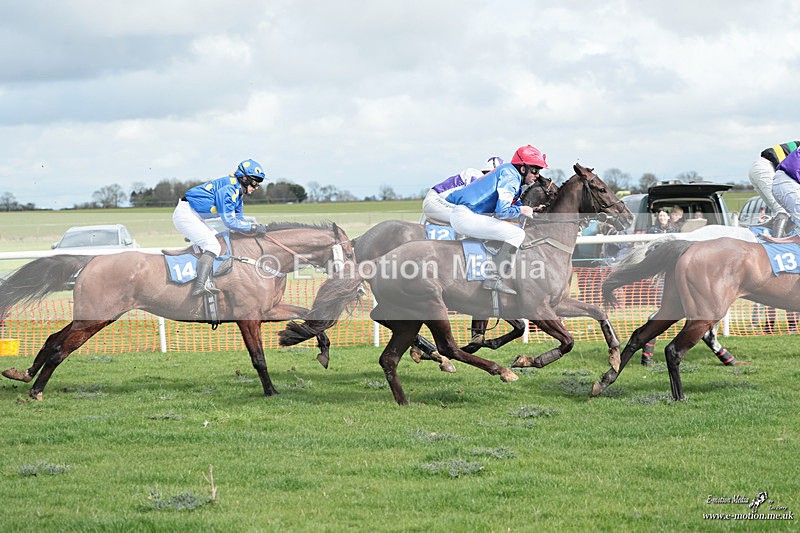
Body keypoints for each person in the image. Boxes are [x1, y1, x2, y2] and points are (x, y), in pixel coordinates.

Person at [446, 145, 544, 295]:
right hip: (466, 217)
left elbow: (514, 206)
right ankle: (494, 278)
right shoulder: (511, 176)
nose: (537, 175)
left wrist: (532, 211)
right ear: (523, 169)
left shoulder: (510, 174)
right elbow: (502, 211)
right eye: (535, 170)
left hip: (466, 215)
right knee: (516, 234)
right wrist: (522, 210)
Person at [173, 159, 268, 296]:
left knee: (220, 241)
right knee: (214, 246)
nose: (256, 187)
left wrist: (254, 229)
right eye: (255, 182)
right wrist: (252, 228)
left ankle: (204, 278)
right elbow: (229, 222)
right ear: (245, 178)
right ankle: (199, 286)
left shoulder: (238, 194)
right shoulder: (229, 189)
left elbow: (239, 220)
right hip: (185, 214)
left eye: (258, 183)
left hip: (194, 215)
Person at [421, 156, 504, 224]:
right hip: (436, 201)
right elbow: (471, 203)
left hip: (442, 203)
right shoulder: (475, 175)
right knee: (469, 219)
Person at [750, 141, 799, 237]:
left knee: (785, 212)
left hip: (761, 168)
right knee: (783, 212)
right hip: (767, 168)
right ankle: (778, 248)